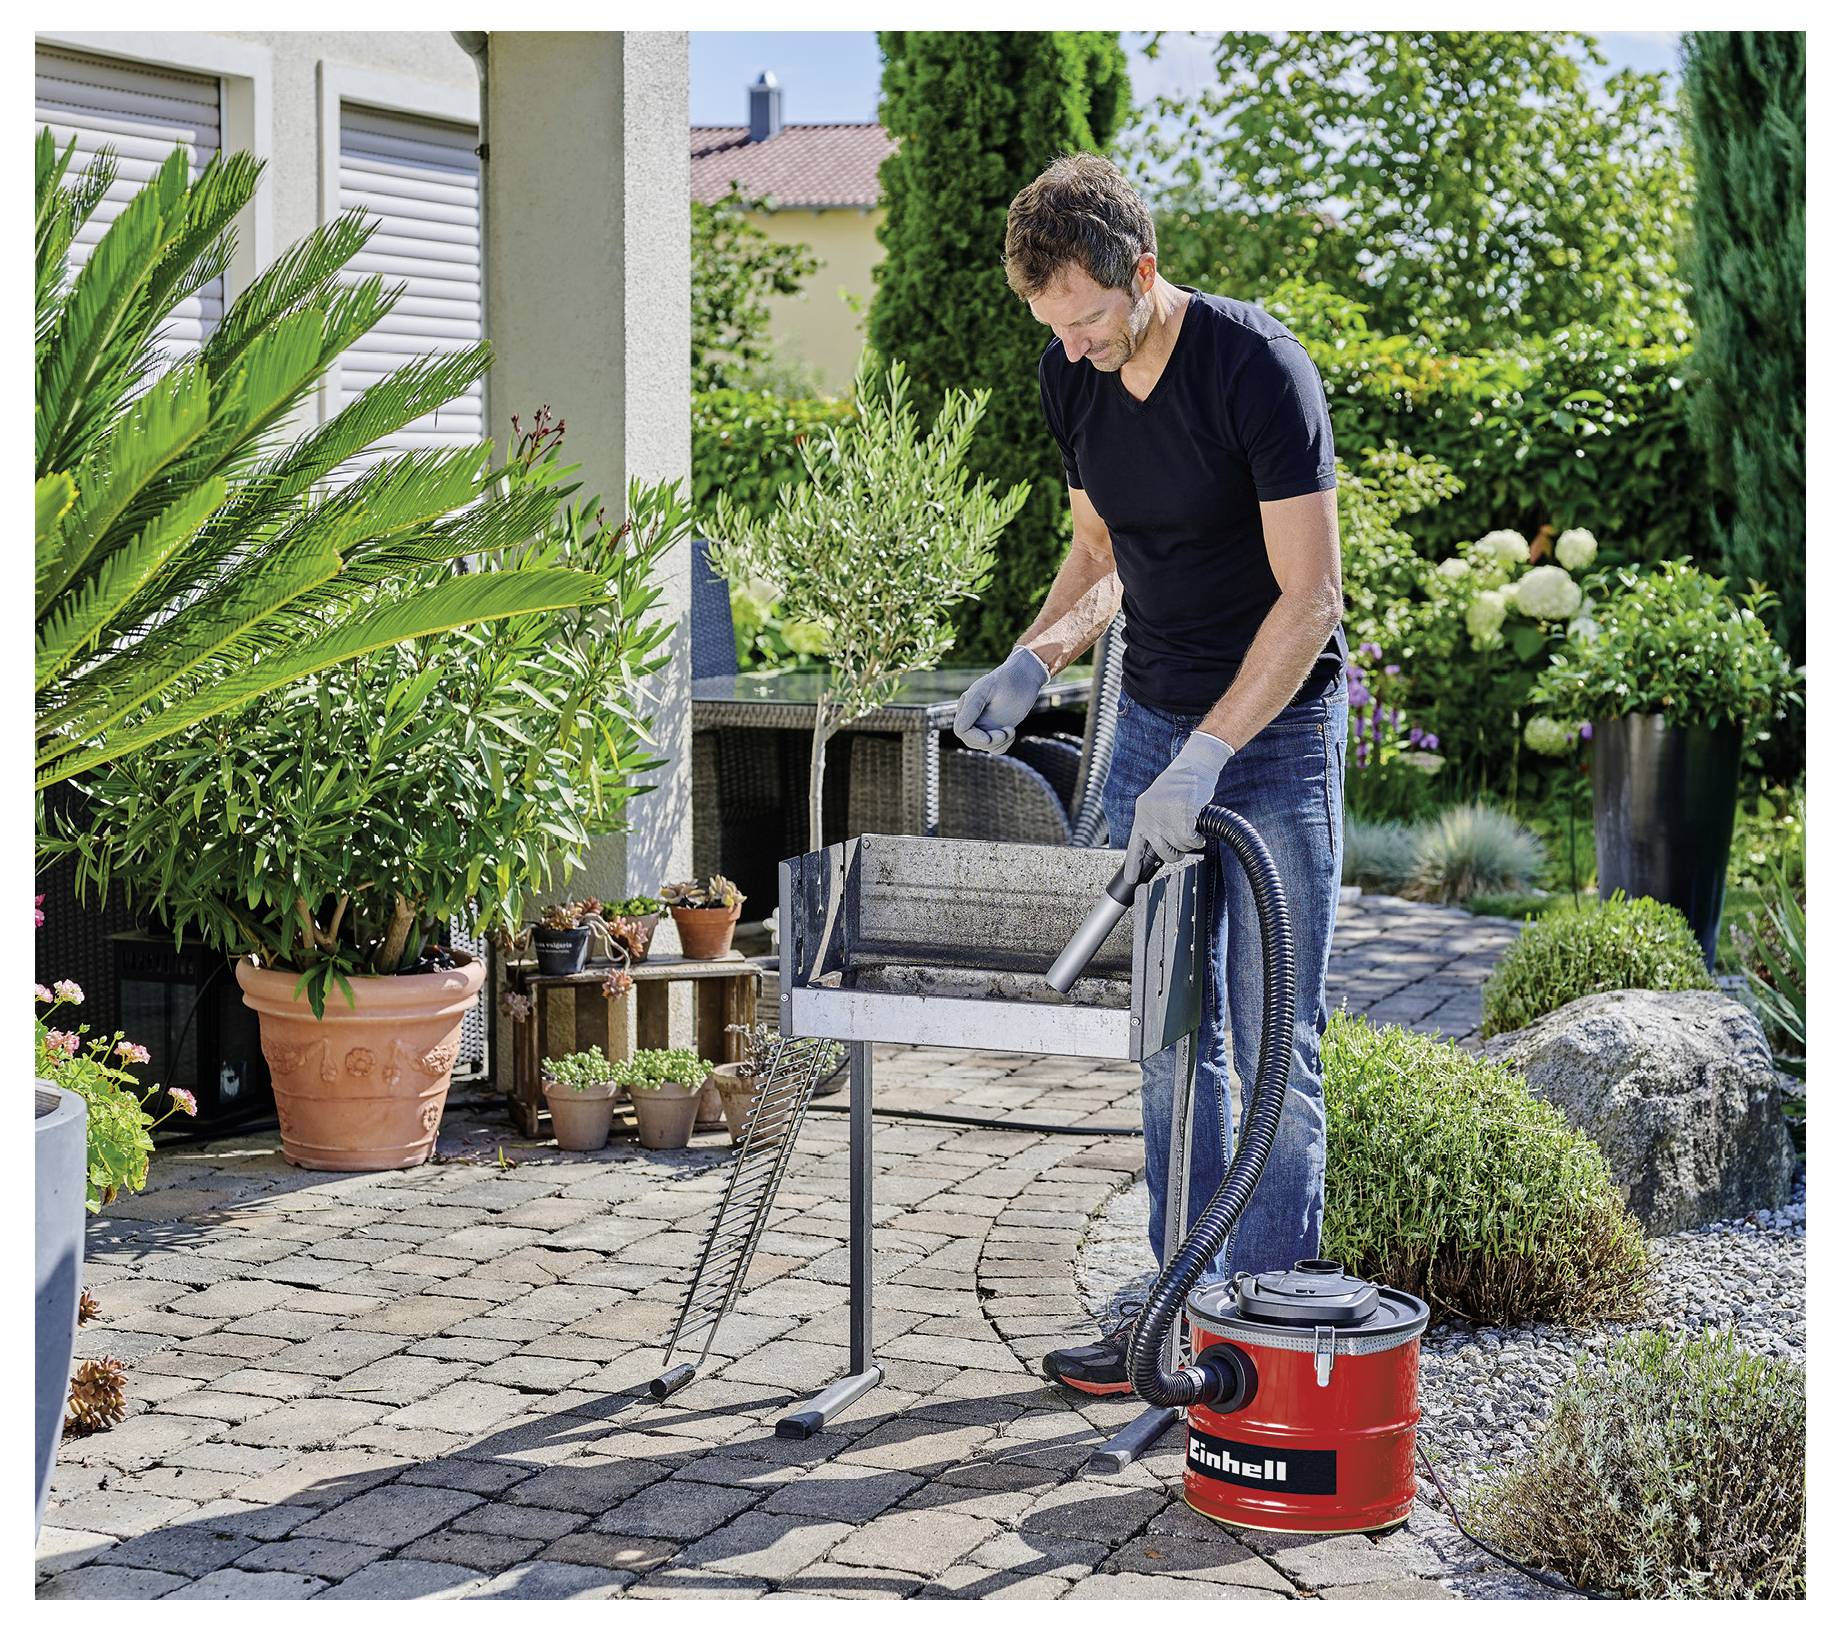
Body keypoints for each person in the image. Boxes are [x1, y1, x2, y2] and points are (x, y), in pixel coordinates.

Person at [952, 153, 1348, 1396]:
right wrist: (1032, 654)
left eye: (1082, 317)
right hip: (1150, 725)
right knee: (1170, 1039)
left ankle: (1271, 1332)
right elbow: (1098, 553)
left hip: (1270, 735)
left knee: (1272, 1038)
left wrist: (1215, 750)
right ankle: (1175, 1309)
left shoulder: (1253, 368)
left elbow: (1311, 597)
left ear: (1141, 268)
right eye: (1047, 326)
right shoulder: (1069, 379)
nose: (1068, 347)